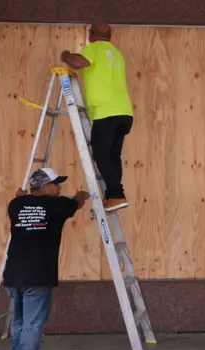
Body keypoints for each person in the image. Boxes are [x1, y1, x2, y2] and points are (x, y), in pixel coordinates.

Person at [3, 167, 90, 350]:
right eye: (55, 184)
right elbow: (76, 203)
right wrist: (83, 194)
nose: (59, 188)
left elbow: (20, 199)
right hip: (39, 274)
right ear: (44, 187)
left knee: (20, 321)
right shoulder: (57, 205)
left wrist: (21, 196)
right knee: (32, 322)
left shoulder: (15, 205)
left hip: (14, 273)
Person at [59, 21, 133, 213]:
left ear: (90, 34)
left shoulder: (94, 49)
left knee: (101, 155)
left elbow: (77, 63)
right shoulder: (117, 54)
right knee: (112, 155)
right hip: (124, 113)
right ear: (110, 35)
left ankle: (116, 194)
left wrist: (65, 55)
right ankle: (112, 196)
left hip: (105, 112)